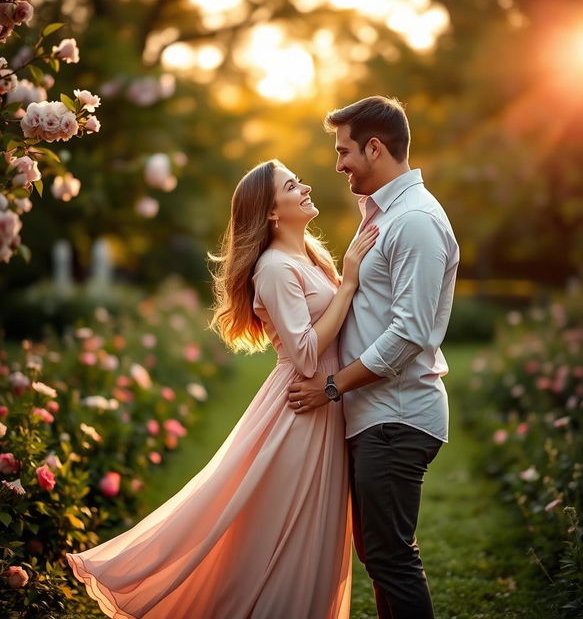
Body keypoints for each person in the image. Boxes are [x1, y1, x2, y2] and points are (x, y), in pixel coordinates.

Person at [66, 159, 379, 619]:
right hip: (300, 408)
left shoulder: (309, 254)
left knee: (317, 532)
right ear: (272, 212)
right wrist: (349, 282)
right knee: (289, 533)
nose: (306, 186)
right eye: (293, 185)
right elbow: (307, 354)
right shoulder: (273, 268)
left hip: (326, 403)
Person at [288, 96, 460, 619]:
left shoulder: (415, 222)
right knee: (382, 557)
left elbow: (409, 333)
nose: (338, 165)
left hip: (398, 416)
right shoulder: (384, 216)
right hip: (378, 416)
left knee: (391, 559)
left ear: (376, 147)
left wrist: (331, 386)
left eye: (344, 152)